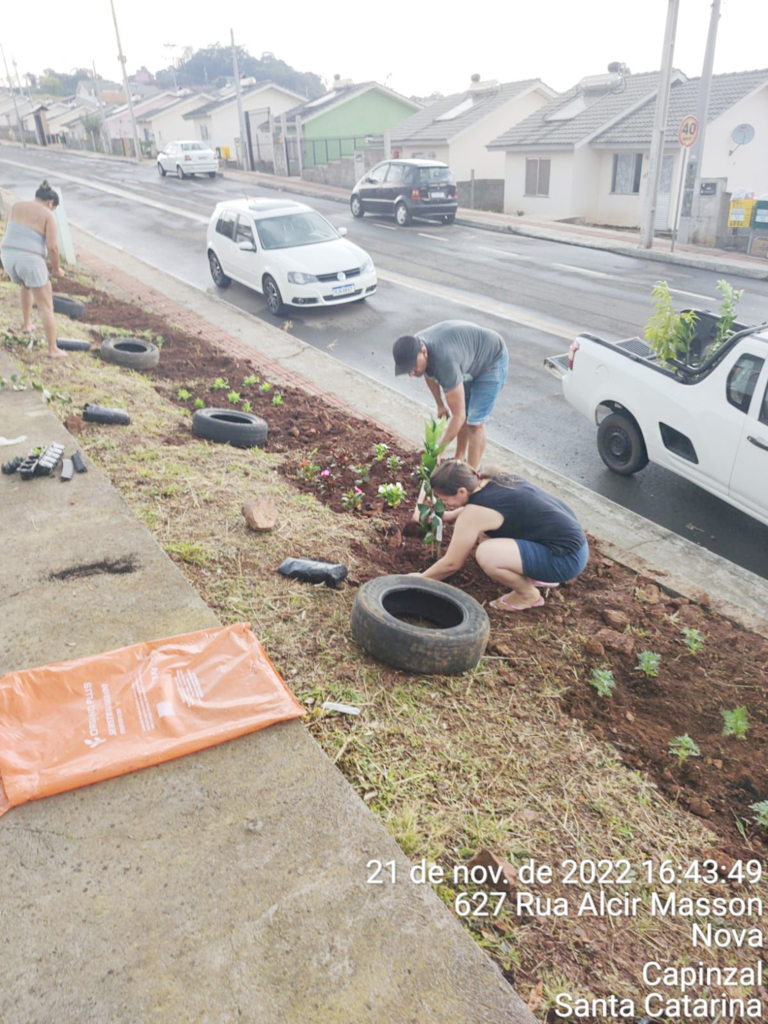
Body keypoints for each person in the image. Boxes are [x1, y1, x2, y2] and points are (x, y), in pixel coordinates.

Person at [412, 460, 589, 612]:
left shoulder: (474, 514)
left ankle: (527, 595)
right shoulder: (491, 478)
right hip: (573, 543)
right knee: (486, 533)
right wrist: (450, 516)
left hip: (566, 560)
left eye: (444, 499)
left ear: (461, 491)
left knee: (487, 553)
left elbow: (451, 564)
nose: (444, 504)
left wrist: (421, 579)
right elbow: (481, 504)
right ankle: (535, 571)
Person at [393, 320, 509, 468]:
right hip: (466, 359)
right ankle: (459, 457)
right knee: (465, 410)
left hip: (491, 360)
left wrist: (439, 451)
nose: (411, 373)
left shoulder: (445, 362)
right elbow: (429, 373)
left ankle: (470, 476)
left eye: (412, 367)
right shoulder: (413, 346)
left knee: (475, 422)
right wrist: (440, 404)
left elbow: (458, 416)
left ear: (424, 352)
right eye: (407, 369)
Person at [0, 180, 65, 359]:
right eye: (53, 208)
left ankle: (27, 324)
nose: (52, 212)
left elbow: (9, 232)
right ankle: (53, 349)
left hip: (7, 256)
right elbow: (52, 247)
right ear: (50, 203)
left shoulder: (15, 206)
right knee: (46, 304)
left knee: (26, 285)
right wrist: (56, 269)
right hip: (29, 258)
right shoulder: (48, 214)